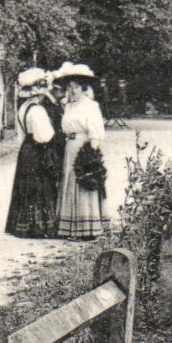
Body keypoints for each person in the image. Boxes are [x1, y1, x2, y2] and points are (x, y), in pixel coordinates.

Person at [52, 62, 110, 240]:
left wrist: (92, 154)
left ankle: (88, 227)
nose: (73, 91)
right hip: (70, 147)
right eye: (69, 87)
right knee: (69, 182)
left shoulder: (90, 106)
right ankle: (69, 227)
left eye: (76, 87)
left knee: (84, 180)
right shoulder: (68, 106)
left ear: (83, 88)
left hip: (83, 146)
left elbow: (96, 133)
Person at [4, 67, 65, 238]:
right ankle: (40, 227)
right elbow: (45, 136)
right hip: (39, 150)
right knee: (40, 187)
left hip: (27, 149)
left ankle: (23, 225)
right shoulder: (38, 110)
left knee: (26, 187)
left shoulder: (23, 108)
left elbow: (21, 135)